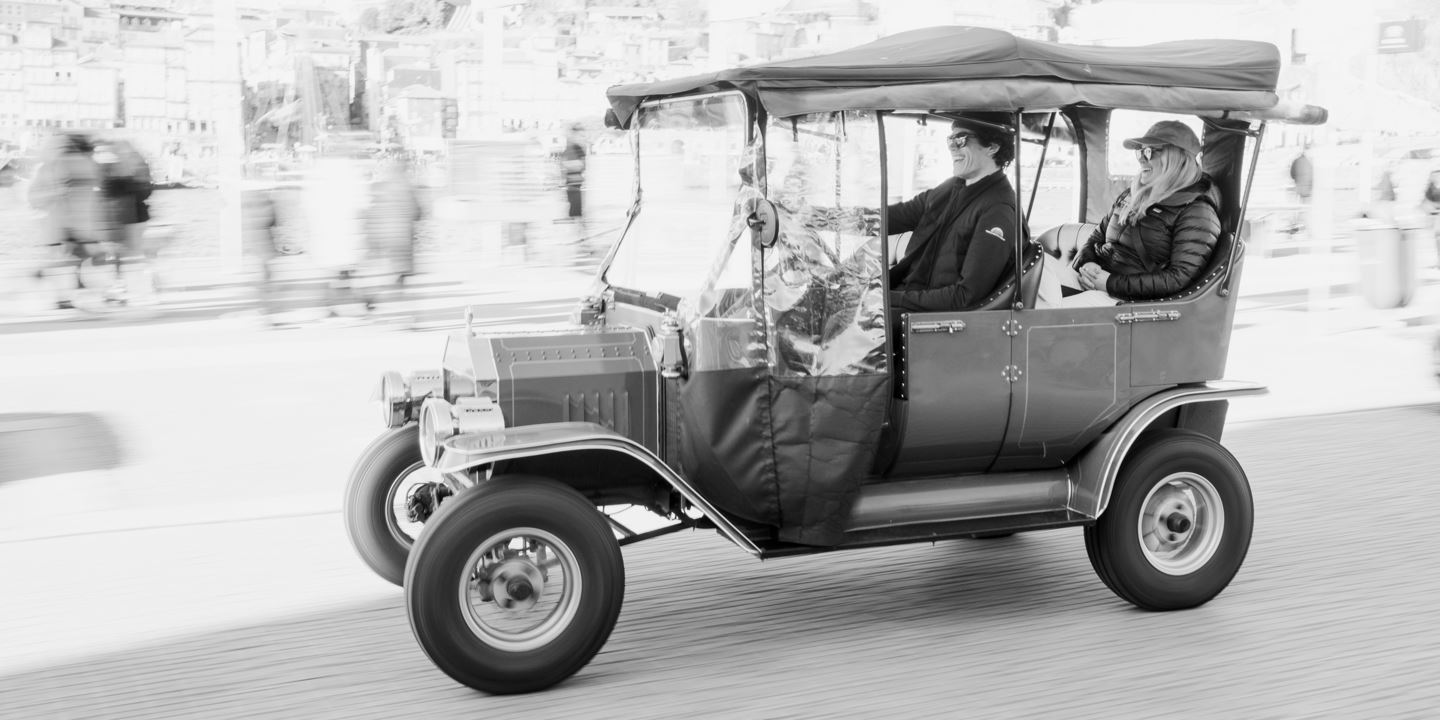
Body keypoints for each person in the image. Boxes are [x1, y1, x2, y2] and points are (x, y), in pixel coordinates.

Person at [1052, 120, 1220, 305]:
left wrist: (1108, 283)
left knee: (1041, 306)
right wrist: (1087, 264)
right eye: (1140, 151)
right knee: (1036, 274)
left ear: (1177, 158)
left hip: (1124, 302)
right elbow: (1096, 237)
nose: (1141, 159)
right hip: (1095, 282)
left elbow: (1177, 278)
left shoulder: (1197, 211)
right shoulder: (1130, 196)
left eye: (1149, 152)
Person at [887, 112, 1023, 312]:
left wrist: (887, 298)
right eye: (950, 139)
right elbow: (894, 217)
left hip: (928, 319)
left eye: (960, 140)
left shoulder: (998, 210)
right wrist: (830, 219)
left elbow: (964, 297)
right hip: (907, 300)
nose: (951, 146)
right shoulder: (951, 189)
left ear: (992, 147)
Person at [27, 131, 103, 309]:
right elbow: (36, 197)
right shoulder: (52, 167)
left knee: (79, 256)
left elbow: (89, 190)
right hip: (63, 222)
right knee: (72, 257)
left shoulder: (75, 164)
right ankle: (61, 289)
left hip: (73, 222)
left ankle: (69, 287)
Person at [559, 122, 589, 255]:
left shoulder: (574, 148)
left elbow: (580, 166)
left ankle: (580, 236)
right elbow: (580, 166)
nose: (579, 135)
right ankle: (579, 237)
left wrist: (569, 167)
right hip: (572, 185)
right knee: (575, 212)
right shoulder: (571, 148)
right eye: (578, 132)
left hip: (574, 185)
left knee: (576, 212)